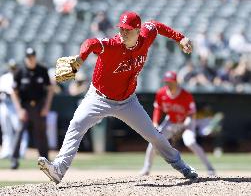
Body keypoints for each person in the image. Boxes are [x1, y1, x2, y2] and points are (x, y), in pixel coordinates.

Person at [38, 11, 198, 184]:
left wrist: (180, 38)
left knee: (154, 136)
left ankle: (182, 166)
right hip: (98, 98)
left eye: (127, 30)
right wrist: (81, 57)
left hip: (128, 101)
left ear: (138, 31)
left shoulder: (146, 36)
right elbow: (91, 43)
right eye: (121, 29)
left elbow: (157, 26)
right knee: (76, 124)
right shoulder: (112, 45)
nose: (123, 33)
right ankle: (58, 170)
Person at [140, 71, 215, 176]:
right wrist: (156, 123)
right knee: (154, 140)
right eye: (167, 82)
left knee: (190, 143)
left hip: (187, 122)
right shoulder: (161, 93)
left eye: (171, 82)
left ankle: (210, 168)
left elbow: (192, 114)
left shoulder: (186, 95)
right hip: (171, 122)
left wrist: (185, 124)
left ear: (176, 82)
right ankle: (146, 168)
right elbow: (158, 109)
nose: (169, 84)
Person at [10, 48, 54, 169]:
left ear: (35, 57)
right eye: (29, 57)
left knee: (41, 134)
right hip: (25, 106)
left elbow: (50, 89)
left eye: (32, 56)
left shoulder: (42, 70)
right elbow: (14, 92)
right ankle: (14, 160)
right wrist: (19, 109)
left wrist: (46, 107)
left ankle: (45, 161)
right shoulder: (20, 71)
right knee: (19, 132)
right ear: (26, 58)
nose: (31, 59)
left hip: (39, 106)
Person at [0, 60, 28, 159]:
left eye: (14, 67)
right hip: (4, 104)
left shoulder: (20, 76)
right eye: (11, 67)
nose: (13, 69)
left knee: (19, 128)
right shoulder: (4, 77)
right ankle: (7, 151)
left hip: (15, 105)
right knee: (6, 130)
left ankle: (21, 151)